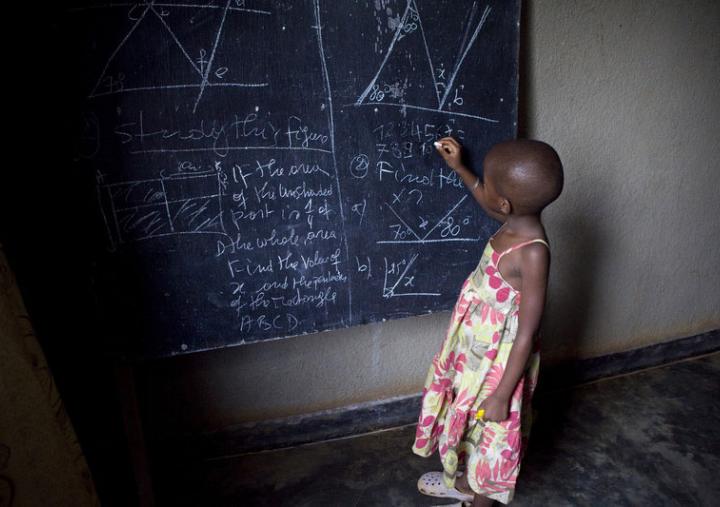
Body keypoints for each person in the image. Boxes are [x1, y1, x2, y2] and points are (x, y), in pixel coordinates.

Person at [412, 137, 564, 506]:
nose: (484, 187)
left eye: (488, 183)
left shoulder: (531, 254)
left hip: (499, 368)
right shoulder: (512, 220)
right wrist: (462, 168)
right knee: (471, 427)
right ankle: (462, 482)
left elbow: (526, 334)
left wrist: (501, 394)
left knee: (491, 439)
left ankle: (478, 499)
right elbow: (485, 199)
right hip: (474, 356)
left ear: (506, 203)